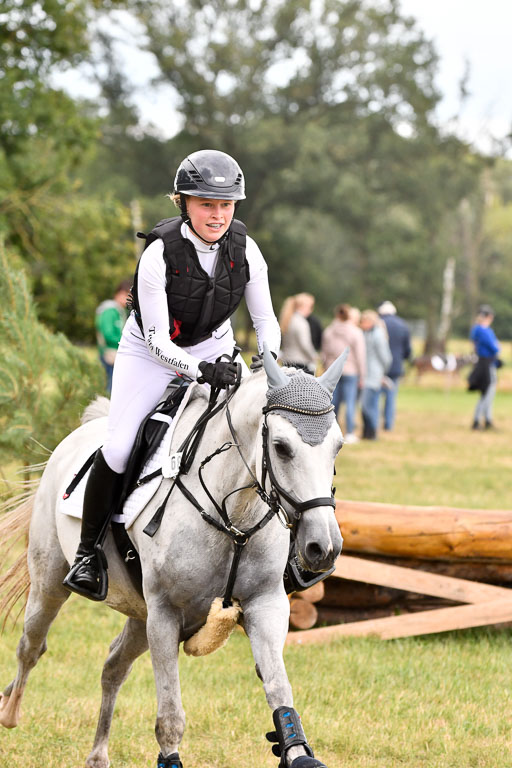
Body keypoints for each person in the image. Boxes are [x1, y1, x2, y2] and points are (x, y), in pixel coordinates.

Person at [63, 149, 281, 599]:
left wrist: (269, 361)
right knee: (121, 446)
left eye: (226, 205)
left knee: (258, 426)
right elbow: (161, 342)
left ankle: (280, 546)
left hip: (215, 346)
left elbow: (266, 322)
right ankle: (87, 554)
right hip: (148, 351)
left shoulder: (246, 249)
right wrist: (201, 371)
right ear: (183, 202)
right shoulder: (159, 253)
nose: (218, 215)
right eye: (207, 204)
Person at [321, 303, 366, 443]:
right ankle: (350, 432)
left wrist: (325, 368)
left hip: (332, 370)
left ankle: (331, 430)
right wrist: (362, 375)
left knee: (333, 402)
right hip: (351, 370)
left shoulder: (328, 331)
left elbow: (324, 353)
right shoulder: (355, 332)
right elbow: (360, 355)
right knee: (351, 402)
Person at [377, 300, 411, 431]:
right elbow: (407, 348)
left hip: (379, 366)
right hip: (396, 366)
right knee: (391, 396)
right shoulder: (402, 325)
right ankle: (388, 424)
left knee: (376, 395)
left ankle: (375, 422)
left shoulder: (378, 323)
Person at [359, 310, 392, 440]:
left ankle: (372, 433)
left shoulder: (378, 335)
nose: (361, 324)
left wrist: (382, 372)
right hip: (366, 374)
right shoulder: (366, 334)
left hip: (373, 375)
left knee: (368, 405)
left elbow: (385, 357)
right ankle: (367, 432)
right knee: (366, 405)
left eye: (364, 321)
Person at [95, 279, 132, 394]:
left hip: (117, 355)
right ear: (120, 293)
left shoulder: (119, 311)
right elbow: (108, 334)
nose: (129, 299)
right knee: (111, 388)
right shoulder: (109, 310)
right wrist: (126, 342)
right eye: (127, 295)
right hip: (109, 354)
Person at [469, 305, 501, 430]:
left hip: (483, 363)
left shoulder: (476, 330)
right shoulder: (484, 331)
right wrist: (497, 347)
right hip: (487, 364)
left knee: (487, 392)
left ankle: (487, 419)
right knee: (487, 392)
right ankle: (478, 420)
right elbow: (495, 347)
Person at [279, 293, 318, 373]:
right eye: (310, 307)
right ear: (304, 306)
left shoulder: (288, 319)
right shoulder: (302, 322)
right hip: (300, 364)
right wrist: (314, 356)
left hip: (286, 361)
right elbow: (305, 344)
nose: (311, 310)